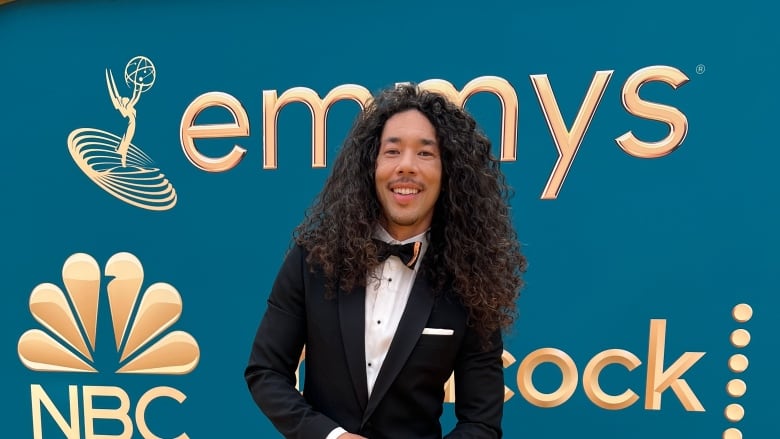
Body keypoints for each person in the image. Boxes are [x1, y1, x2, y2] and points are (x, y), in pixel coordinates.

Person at [244, 83, 526, 439]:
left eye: (425, 153)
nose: (406, 166)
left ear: (448, 172)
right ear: (371, 165)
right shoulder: (311, 260)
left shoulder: (471, 281)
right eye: (392, 151)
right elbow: (266, 373)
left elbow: (481, 423)